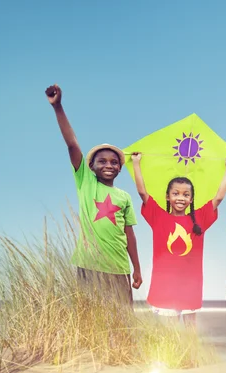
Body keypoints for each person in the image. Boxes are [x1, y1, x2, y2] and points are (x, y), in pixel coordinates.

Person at [45, 84, 142, 307]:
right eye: (102, 161)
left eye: (114, 162)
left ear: (119, 168)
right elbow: (72, 144)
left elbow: (130, 235)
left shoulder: (124, 197)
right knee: (89, 318)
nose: (109, 165)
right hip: (89, 266)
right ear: (91, 166)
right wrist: (58, 107)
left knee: (121, 320)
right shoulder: (86, 182)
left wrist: (136, 267)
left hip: (119, 267)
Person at [131, 152, 226, 326]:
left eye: (186, 195)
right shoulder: (158, 216)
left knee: (190, 329)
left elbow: (218, 198)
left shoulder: (199, 218)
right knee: (169, 334)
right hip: (165, 285)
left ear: (191, 199)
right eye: (176, 194)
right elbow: (142, 192)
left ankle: (191, 355)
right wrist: (136, 163)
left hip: (190, 285)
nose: (180, 198)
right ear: (167, 196)